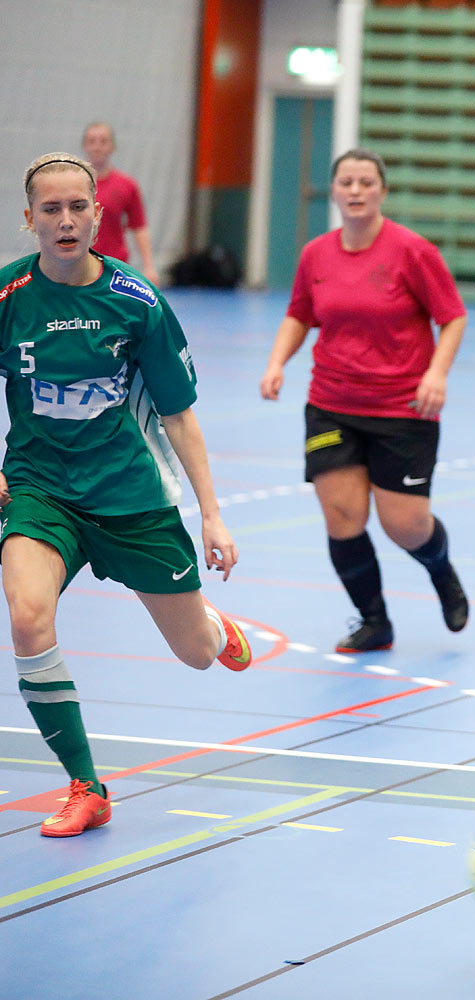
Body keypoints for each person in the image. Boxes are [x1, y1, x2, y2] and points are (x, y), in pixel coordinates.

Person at [1, 153, 254, 838]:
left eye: (77, 207)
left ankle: (213, 623)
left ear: (97, 215)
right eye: (50, 209)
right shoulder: (8, 296)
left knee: (196, 653)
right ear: (29, 220)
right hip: (39, 490)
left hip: (131, 498)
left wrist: (213, 514)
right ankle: (87, 786)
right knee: (27, 618)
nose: (65, 220)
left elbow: (179, 415)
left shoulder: (137, 301)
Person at [259, 148, 469, 652]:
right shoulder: (316, 255)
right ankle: (375, 621)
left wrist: (436, 374)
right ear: (332, 192)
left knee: (406, 525)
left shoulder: (413, 251)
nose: (355, 191)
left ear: (382, 191)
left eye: (365, 183)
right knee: (343, 516)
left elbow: (453, 316)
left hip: (403, 408)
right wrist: (275, 363)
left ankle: (441, 571)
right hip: (332, 402)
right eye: (346, 182)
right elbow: (299, 314)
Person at [81, 122, 160, 286]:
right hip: (79, 264)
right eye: (92, 141)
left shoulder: (127, 185)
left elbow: (139, 227)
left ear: (112, 147)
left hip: (114, 266)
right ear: (84, 146)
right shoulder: (73, 184)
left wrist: (149, 266)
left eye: (103, 141)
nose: (97, 147)